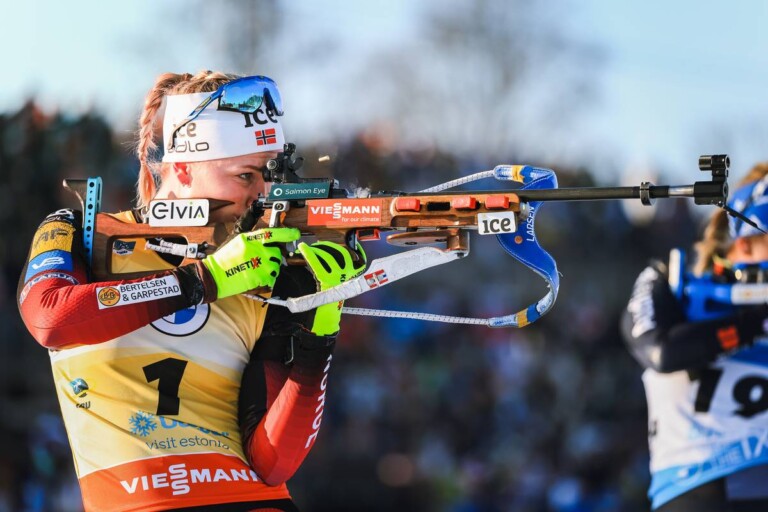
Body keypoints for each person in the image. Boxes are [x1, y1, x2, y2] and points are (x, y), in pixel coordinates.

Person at [17, 71, 365, 512]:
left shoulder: (271, 271)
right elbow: (50, 318)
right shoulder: (79, 232)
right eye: (245, 175)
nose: (263, 194)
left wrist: (321, 333)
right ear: (181, 168)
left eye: (269, 174)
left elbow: (274, 461)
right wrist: (205, 280)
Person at [621, 163, 768, 512]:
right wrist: (751, 325)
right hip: (695, 488)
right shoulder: (669, 281)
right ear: (746, 244)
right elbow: (661, 352)